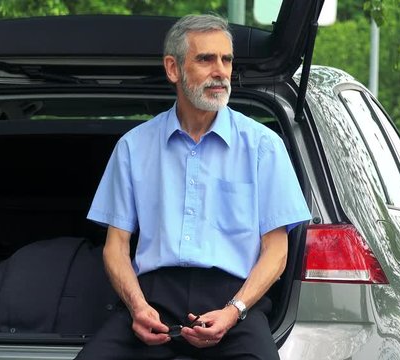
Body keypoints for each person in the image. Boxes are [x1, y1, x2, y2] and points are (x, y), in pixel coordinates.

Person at [76, 13, 311, 360]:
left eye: (226, 59)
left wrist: (234, 311)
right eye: (206, 59)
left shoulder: (264, 146)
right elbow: (116, 247)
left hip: (234, 303)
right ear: (173, 68)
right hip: (153, 301)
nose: (220, 71)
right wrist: (138, 307)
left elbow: (276, 251)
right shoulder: (134, 146)